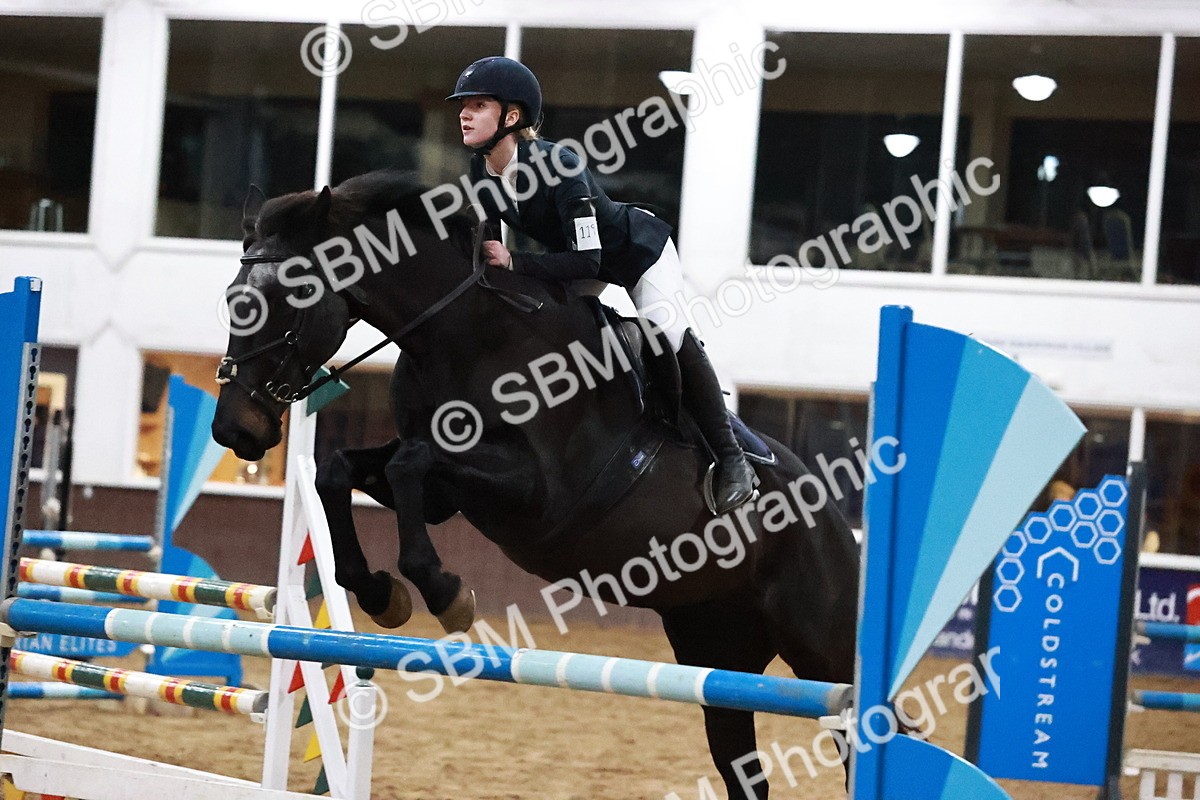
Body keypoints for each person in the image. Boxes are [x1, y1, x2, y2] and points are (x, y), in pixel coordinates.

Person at [447, 56, 756, 515]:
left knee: (668, 335)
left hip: (636, 254)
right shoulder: (481, 171)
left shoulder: (561, 165)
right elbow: (492, 249)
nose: (464, 115)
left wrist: (515, 260)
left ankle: (733, 460)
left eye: (478, 106)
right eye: (463, 106)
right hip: (574, 260)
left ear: (511, 117)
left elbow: (588, 259)